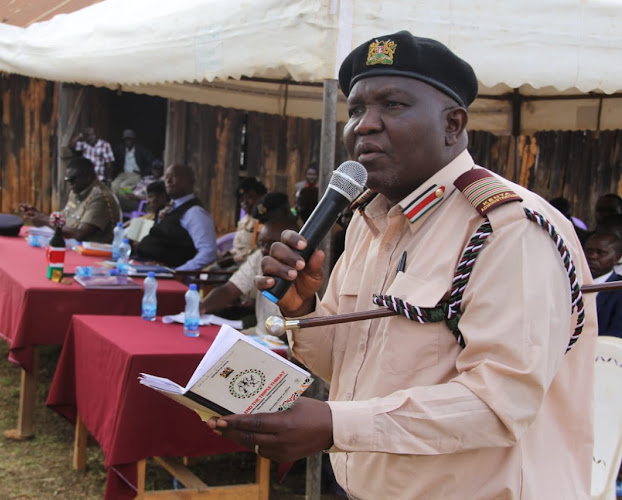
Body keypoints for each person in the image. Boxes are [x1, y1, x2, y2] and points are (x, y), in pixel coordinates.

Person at [208, 31, 597, 499]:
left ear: (453, 125)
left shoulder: (507, 230)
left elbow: (500, 404)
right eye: (355, 110)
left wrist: (336, 425)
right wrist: (304, 310)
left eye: (392, 105)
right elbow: (345, 362)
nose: (364, 126)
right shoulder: (366, 221)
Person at [200, 210, 297, 336]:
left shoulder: (301, 269)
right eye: (262, 243)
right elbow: (230, 289)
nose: (264, 249)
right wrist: (202, 307)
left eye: (272, 244)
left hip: (289, 343)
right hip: (260, 334)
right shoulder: (259, 258)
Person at [133, 164, 218, 271]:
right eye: (166, 176)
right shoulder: (169, 207)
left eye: (174, 176)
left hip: (159, 274)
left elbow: (209, 253)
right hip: (142, 263)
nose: (168, 180)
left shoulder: (195, 213)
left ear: (190, 181)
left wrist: (176, 272)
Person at [21, 157, 120, 243]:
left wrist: (46, 221)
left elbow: (79, 234)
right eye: (67, 180)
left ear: (88, 176)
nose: (70, 184)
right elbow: (62, 221)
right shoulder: (77, 190)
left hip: (96, 254)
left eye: (72, 179)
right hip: (73, 246)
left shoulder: (100, 197)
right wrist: (38, 215)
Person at [217, 177, 267, 268]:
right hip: (238, 261)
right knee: (212, 269)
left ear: (261, 197)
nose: (245, 203)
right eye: (242, 200)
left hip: (250, 265)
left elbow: (258, 252)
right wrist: (230, 253)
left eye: (250, 197)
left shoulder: (264, 221)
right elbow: (239, 247)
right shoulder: (244, 220)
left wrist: (233, 259)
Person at [585, 231, 622, 337]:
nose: (592, 256)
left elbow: (616, 333)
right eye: (588, 251)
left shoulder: (619, 288)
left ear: (616, 258)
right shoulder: (569, 283)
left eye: (601, 253)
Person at [110, 129, 155, 200]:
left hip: (135, 174)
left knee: (124, 186)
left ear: (133, 140)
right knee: (114, 185)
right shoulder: (120, 150)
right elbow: (112, 159)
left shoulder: (140, 150)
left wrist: (142, 173)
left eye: (130, 139)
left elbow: (150, 163)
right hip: (123, 173)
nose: (128, 141)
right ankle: (116, 202)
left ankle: (124, 202)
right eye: (126, 139)